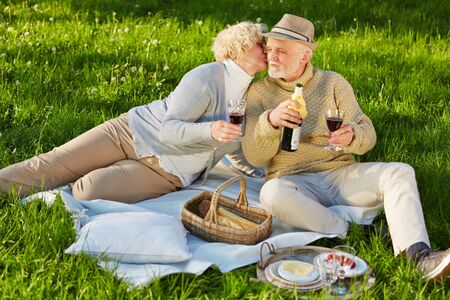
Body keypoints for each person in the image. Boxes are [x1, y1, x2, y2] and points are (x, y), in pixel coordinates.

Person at [242, 14, 450, 282]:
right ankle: (356, 231)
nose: (272, 56)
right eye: (270, 49)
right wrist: (270, 121)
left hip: (340, 174)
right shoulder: (259, 93)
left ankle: (418, 256)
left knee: (400, 171)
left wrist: (353, 135)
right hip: (292, 181)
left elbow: (368, 133)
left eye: (281, 50)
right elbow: (253, 155)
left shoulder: (333, 83)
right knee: (270, 194)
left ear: (305, 55)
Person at [0, 21, 267, 204]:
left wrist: (260, 174)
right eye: (260, 44)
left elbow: (235, 145)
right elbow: (169, 129)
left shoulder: (252, 95)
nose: (267, 49)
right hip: (130, 132)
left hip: (167, 173)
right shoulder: (207, 75)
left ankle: (94, 173)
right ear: (239, 48)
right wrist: (210, 130)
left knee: (86, 191)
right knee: (53, 165)